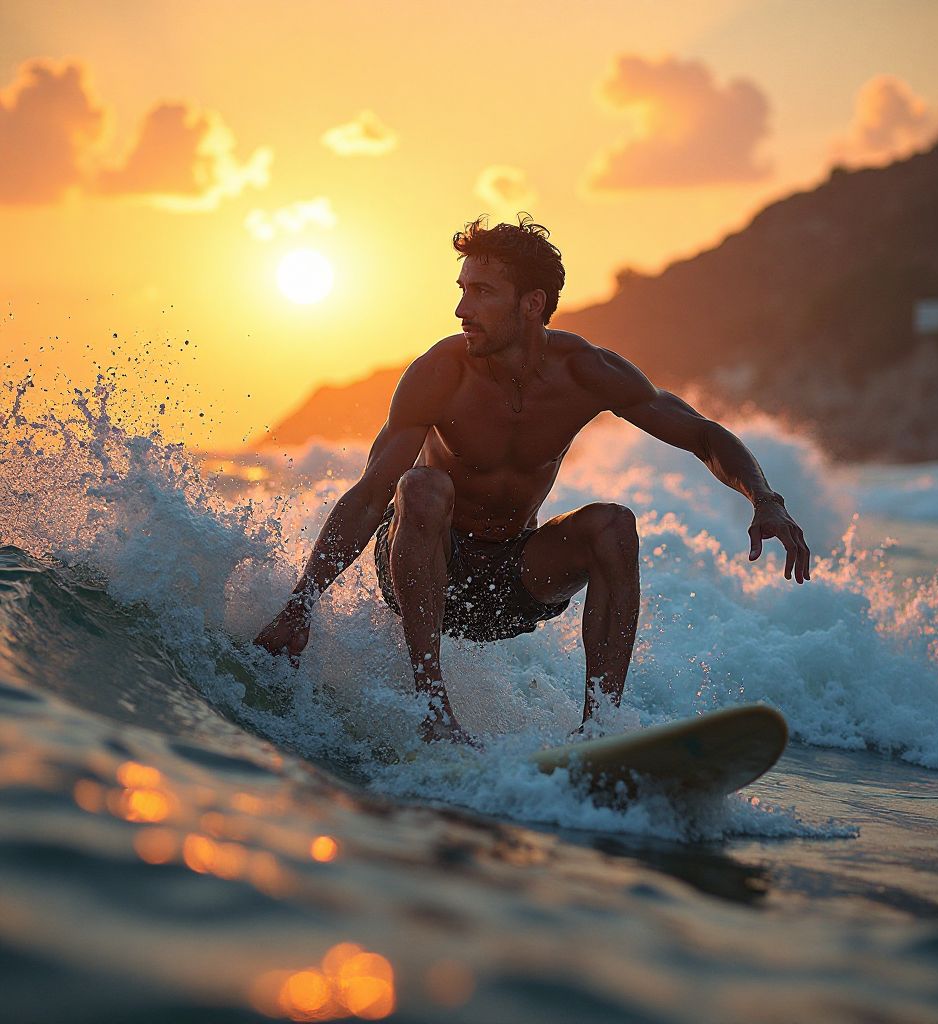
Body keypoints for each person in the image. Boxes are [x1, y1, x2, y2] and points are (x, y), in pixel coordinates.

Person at [255, 215, 811, 744]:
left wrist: (766, 498)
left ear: (532, 304)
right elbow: (373, 493)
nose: (460, 309)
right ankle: (433, 714)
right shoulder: (439, 374)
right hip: (426, 566)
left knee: (614, 526)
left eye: (481, 293)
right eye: (462, 288)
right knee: (422, 487)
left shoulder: (584, 372)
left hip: (510, 582)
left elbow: (704, 435)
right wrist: (301, 604)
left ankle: (599, 734)